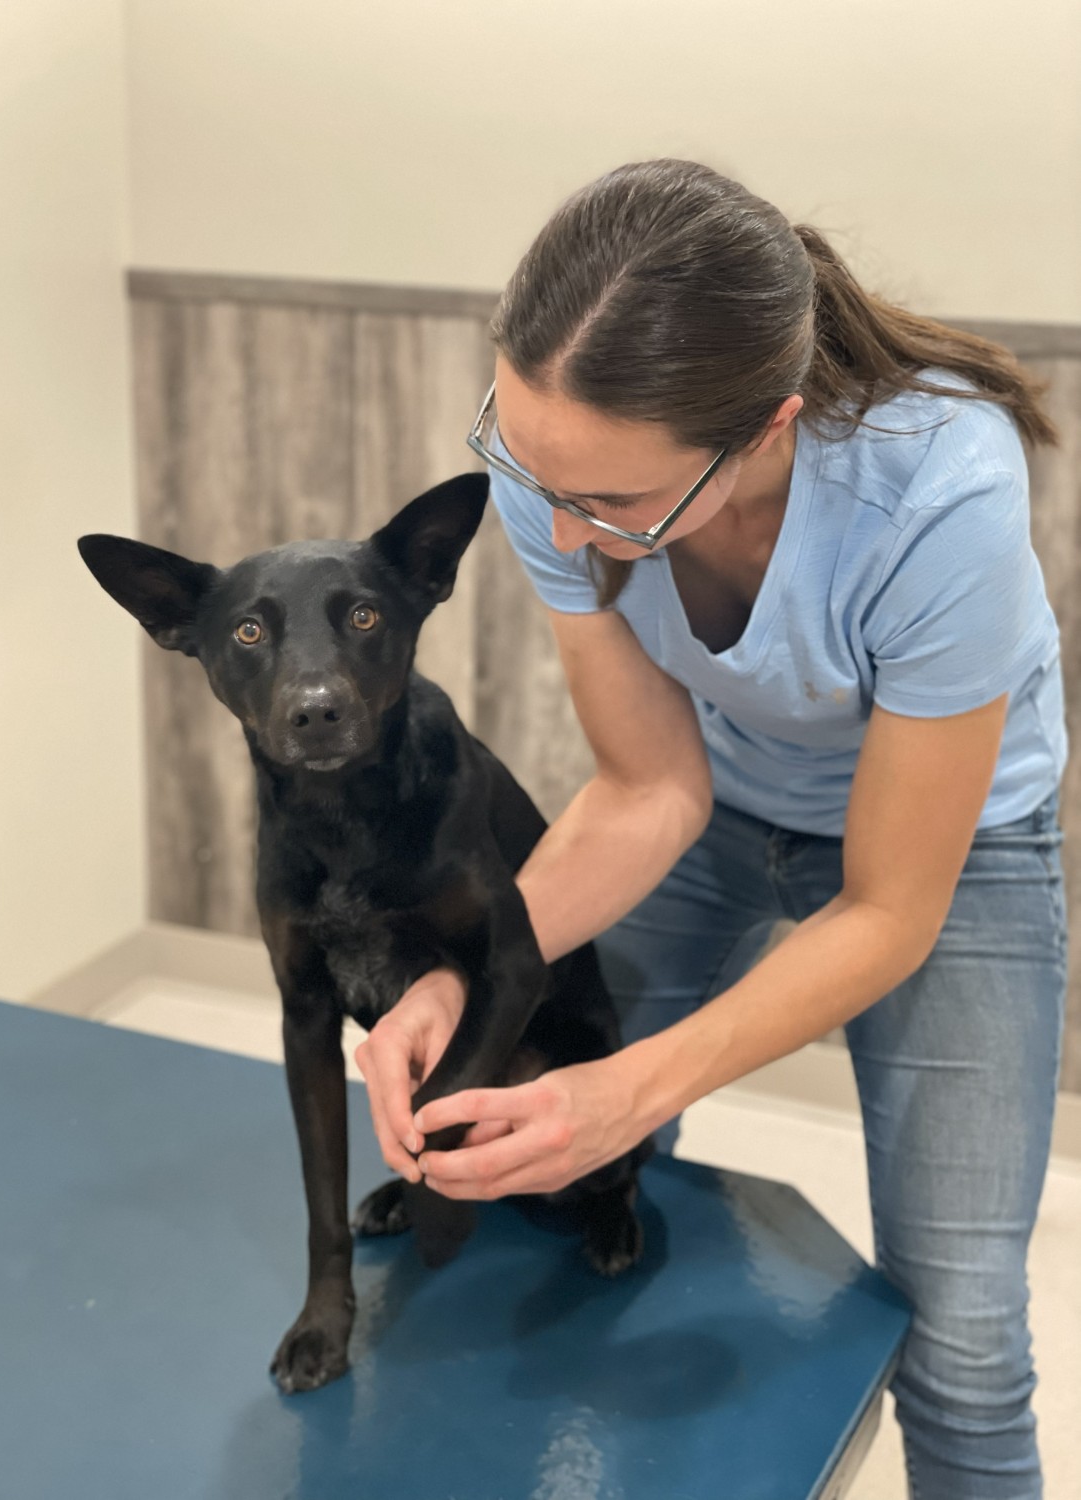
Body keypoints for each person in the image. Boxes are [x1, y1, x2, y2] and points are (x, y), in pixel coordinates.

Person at [355, 158, 1067, 1499]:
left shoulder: (940, 499)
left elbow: (886, 909)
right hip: (720, 793)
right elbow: (646, 791)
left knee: (962, 1333)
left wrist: (632, 1086)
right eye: (531, 472)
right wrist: (464, 966)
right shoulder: (550, 463)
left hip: (950, 850)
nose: (561, 531)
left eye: (613, 505)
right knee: (541, 1167)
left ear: (764, 433)